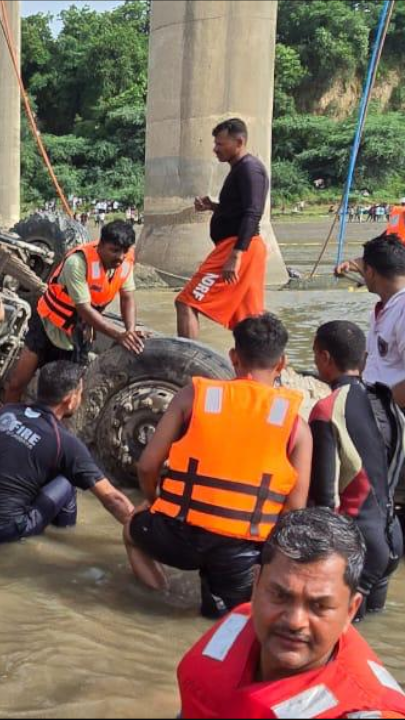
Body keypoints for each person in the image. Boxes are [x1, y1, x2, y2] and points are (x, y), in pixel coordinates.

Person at [126, 312, 313, 619]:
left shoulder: (195, 396)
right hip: (242, 548)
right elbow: (294, 509)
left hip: (179, 532)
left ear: (233, 357)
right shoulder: (295, 425)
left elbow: (147, 465)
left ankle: (160, 598)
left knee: (131, 532)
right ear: (281, 363)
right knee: (224, 624)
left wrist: (153, 501)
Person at [175, 508, 405, 719]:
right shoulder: (238, 624)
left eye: (319, 606)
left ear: (350, 611)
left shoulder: (364, 713)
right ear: (256, 586)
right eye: (280, 596)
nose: (295, 621)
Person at [0, 361, 140, 543]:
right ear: (70, 400)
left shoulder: (5, 413)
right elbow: (112, 499)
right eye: (80, 393)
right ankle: (62, 536)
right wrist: (144, 530)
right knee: (67, 479)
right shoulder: (65, 443)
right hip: (0, 533)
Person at [310, 320, 404, 621]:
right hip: (392, 537)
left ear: (324, 358)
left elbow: (324, 499)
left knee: (344, 635)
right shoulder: (386, 402)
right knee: (373, 631)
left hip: (358, 544)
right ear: (364, 358)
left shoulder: (327, 408)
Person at [4, 220, 145, 404]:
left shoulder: (125, 263)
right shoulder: (77, 263)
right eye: (114, 250)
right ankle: (5, 415)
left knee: (67, 396)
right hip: (48, 326)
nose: (120, 257)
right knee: (17, 382)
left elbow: (127, 298)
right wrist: (119, 335)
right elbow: (85, 309)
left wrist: (130, 331)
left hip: (79, 334)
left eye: (124, 251)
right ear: (100, 246)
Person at [176, 118, 270, 340]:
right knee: (248, 320)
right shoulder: (241, 169)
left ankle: (187, 363)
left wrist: (236, 254)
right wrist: (213, 207)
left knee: (186, 302)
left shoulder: (250, 169)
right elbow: (240, 210)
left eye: (220, 144)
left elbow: (253, 212)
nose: (215, 149)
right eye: (215, 144)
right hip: (246, 248)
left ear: (239, 142)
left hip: (237, 247)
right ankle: (259, 369)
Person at [357, 235, 405, 410]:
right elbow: (370, 358)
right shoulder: (382, 308)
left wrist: (378, 406)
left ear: (369, 272)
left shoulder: (402, 309)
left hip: (393, 413)